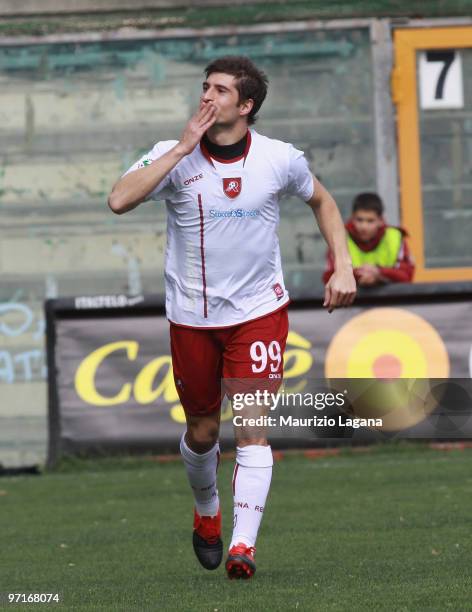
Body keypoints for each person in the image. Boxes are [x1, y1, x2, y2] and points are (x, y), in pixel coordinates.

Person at [108, 56, 356, 580]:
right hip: (192, 317)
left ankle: (244, 545)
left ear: (245, 107)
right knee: (202, 431)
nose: (206, 97)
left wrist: (344, 264)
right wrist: (180, 147)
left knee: (252, 430)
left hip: (257, 313)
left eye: (219, 90)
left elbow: (323, 201)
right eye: (204, 87)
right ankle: (207, 512)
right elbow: (118, 200)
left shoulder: (279, 159)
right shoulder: (170, 155)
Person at [323, 192, 415, 286]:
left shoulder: (395, 237)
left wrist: (379, 273)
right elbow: (328, 278)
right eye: (359, 220)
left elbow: (407, 276)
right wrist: (362, 274)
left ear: (380, 220)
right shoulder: (340, 237)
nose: (364, 226)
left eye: (370, 221)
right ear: (352, 218)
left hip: (390, 299)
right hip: (350, 300)